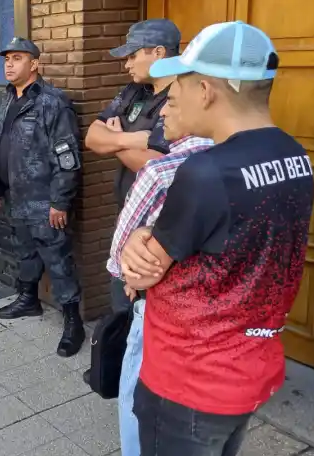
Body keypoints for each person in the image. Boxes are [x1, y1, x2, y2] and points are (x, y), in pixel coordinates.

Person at [120, 22, 313, 456]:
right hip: (249, 368)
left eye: (176, 90)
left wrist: (141, 233)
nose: (168, 103)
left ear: (205, 90)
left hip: (188, 378)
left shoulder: (205, 172)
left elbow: (144, 271)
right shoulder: (295, 155)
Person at [108, 90, 213, 456]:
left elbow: (121, 255)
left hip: (157, 307)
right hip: (210, 317)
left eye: (171, 103)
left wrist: (127, 273)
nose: (163, 112)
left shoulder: (160, 171)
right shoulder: (233, 161)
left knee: (137, 398)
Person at [0, 37, 84, 357]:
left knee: (57, 259)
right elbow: (0, 145)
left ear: (35, 64)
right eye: (7, 58)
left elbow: (67, 157)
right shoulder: (7, 98)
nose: (10, 64)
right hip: (15, 196)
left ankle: (73, 322)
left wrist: (60, 201)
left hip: (44, 200)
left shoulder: (52, 102)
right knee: (25, 251)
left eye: (18, 58)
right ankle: (28, 300)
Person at [84, 19, 178, 313]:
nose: (127, 64)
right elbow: (92, 137)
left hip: (159, 228)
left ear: (159, 52)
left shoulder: (181, 98)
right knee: (123, 309)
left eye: (133, 55)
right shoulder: (134, 91)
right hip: (128, 212)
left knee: (144, 312)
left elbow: (158, 167)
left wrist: (114, 139)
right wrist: (133, 140)